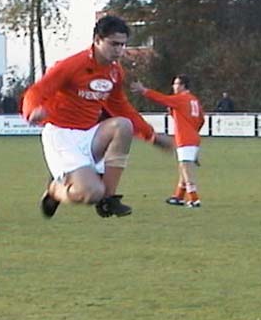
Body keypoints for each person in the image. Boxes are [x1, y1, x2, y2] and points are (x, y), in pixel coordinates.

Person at [21, 15, 172, 219]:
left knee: (123, 125)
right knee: (91, 193)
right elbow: (37, 90)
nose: (119, 50)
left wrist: (151, 136)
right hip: (62, 135)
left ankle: (108, 200)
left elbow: (121, 107)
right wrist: (31, 110)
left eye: (122, 45)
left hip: (89, 134)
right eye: (113, 44)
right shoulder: (72, 65)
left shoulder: (114, 72)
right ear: (97, 40)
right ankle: (55, 190)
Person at [132, 75, 205, 207]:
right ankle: (178, 197)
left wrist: (144, 90)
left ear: (183, 86)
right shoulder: (193, 99)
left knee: (185, 167)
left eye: (176, 84)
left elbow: (162, 99)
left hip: (185, 138)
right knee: (184, 167)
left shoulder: (181, 99)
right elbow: (201, 119)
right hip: (193, 137)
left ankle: (194, 198)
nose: (174, 86)